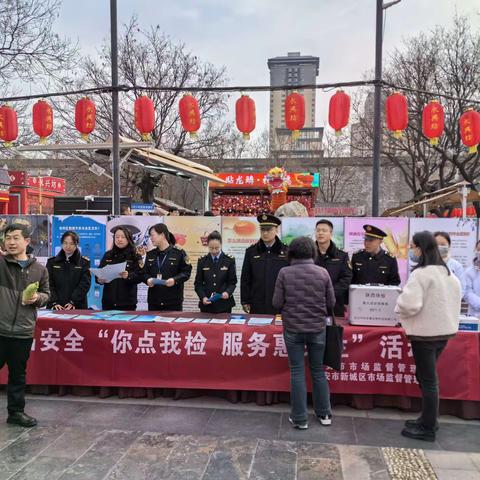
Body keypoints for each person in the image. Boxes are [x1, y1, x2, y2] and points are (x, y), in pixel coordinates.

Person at [395, 231, 461, 442]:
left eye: (413, 246)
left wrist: (399, 309)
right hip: (443, 333)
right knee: (427, 378)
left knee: (428, 380)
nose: (411, 250)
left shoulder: (421, 274)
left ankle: (428, 426)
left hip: (424, 335)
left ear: (421, 248)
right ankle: (427, 418)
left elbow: (409, 304)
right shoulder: (447, 273)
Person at [272, 236, 335, 430]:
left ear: (292, 252)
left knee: (297, 371)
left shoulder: (284, 272)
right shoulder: (323, 272)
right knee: (318, 371)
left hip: (293, 329)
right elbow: (331, 303)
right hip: (317, 329)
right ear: (312, 252)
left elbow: (276, 303)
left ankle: (300, 418)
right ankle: (324, 414)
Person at [0, 224, 49, 427]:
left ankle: (16, 413)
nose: (11, 242)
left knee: (18, 374)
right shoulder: (1, 264)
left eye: (16, 238)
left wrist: (37, 297)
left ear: (27, 242)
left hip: (23, 331)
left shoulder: (39, 269)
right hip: (0, 329)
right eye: (7, 238)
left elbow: (47, 295)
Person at [241, 214, 288, 314]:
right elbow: (246, 278)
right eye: (262, 229)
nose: (265, 233)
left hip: (280, 303)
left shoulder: (286, 251)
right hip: (257, 302)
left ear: (276, 230)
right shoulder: (252, 252)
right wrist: (245, 300)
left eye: (269, 229)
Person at [141, 223, 192, 311]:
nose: (151, 238)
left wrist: (174, 280)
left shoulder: (179, 253)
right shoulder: (150, 254)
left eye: (152, 235)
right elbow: (143, 273)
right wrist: (147, 280)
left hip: (173, 302)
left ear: (162, 235)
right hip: (154, 301)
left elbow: (186, 272)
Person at [96, 226, 143, 311]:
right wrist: (99, 279)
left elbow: (140, 276)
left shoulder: (135, 256)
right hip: (108, 302)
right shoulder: (108, 255)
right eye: (117, 237)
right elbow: (100, 272)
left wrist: (128, 276)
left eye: (123, 237)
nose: (119, 239)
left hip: (127, 303)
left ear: (128, 239)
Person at [314, 219, 352, 316]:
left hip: (334, 303)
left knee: (334, 330)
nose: (320, 233)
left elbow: (346, 278)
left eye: (324, 230)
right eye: (318, 230)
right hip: (311, 302)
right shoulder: (308, 254)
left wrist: (330, 293)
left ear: (331, 234)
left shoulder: (341, 256)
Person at [46, 231, 91, 310]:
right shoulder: (52, 262)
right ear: (61, 244)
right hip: (55, 306)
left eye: (71, 243)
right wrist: (54, 302)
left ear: (76, 244)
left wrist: (73, 301)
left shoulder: (84, 263)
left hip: (77, 306)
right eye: (65, 243)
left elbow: (84, 285)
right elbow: (48, 283)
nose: (68, 246)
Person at [194, 231, 237, 313]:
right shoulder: (202, 261)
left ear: (221, 244)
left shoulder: (229, 260)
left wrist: (227, 292)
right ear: (207, 246)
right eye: (211, 248)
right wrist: (203, 297)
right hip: (207, 304)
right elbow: (198, 284)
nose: (214, 251)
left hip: (224, 304)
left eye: (216, 248)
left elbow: (232, 282)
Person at [434, 231, 466, 297]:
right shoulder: (427, 264)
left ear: (449, 246)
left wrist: (452, 302)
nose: (439, 247)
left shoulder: (457, 266)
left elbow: (462, 288)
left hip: (451, 305)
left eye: (443, 244)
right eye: (436, 245)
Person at [464, 240, 480, 317]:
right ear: (475, 250)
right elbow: (467, 292)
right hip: (475, 315)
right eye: (479, 249)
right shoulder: (469, 272)